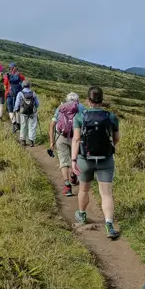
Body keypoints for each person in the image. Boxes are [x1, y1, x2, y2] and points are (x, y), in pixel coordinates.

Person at [70, 86, 121, 239]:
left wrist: (73, 160)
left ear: (88, 99)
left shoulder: (80, 116)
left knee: (84, 190)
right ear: (102, 99)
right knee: (106, 194)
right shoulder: (111, 117)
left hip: (85, 158)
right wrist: (110, 148)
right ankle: (109, 225)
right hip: (105, 159)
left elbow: (76, 139)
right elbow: (116, 138)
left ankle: (82, 215)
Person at [50, 93, 85, 197]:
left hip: (61, 136)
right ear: (77, 100)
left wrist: (52, 141)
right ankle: (73, 175)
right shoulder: (81, 107)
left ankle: (67, 186)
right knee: (76, 158)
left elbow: (52, 125)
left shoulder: (61, 107)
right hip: (76, 136)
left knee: (64, 161)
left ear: (66, 99)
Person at [13, 79, 40, 147]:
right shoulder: (33, 93)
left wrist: (16, 110)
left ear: (23, 85)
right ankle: (31, 141)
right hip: (32, 112)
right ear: (29, 85)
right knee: (32, 126)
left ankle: (23, 140)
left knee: (23, 125)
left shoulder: (20, 93)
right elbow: (37, 104)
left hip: (23, 112)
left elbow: (17, 104)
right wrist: (35, 108)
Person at [6, 63, 25, 133]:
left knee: (10, 110)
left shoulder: (7, 76)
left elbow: (5, 84)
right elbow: (24, 85)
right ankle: (18, 124)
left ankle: (14, 123)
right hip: (19, 95)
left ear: (10, 68)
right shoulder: (20, 75)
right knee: (17, 109)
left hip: (9, 94)